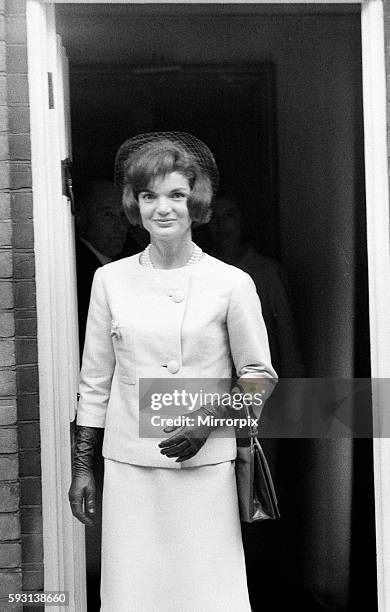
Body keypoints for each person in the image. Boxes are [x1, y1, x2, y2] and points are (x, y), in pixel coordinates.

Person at [68, 132, 277, 612]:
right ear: (135, 204)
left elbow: (260, 374)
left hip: (204, 471)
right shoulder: (109, 280)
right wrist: (83, 467)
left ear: (196, 202)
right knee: (133, 595)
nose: (162, 208)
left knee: (207, 594)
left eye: (176, 195)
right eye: (149, 196)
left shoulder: (231, 282)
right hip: (131, 470)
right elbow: (95, 382)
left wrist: (208, 421)